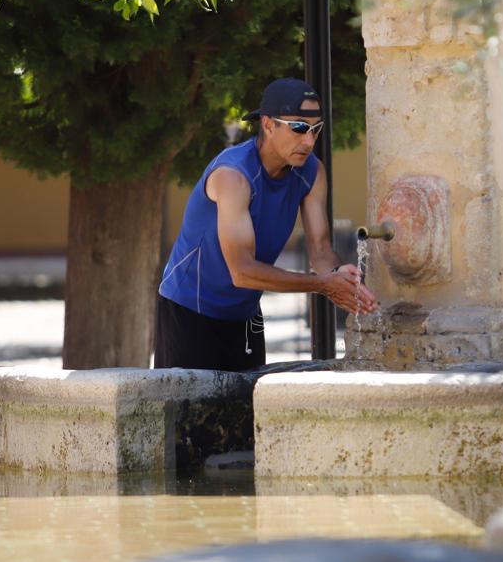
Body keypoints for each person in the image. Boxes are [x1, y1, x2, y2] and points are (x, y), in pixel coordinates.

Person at [154, 78, 379, 371]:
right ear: (269, 125)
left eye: (316, 129)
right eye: (299, 128)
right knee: (188, 416)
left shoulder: (311, 171)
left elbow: (321, 252)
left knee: (248, 413)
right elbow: (243, 272)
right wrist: (323, 285)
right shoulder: (233, 175)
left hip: (246, 314)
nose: (309, 141)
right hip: (189, 312)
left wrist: (343, 279)